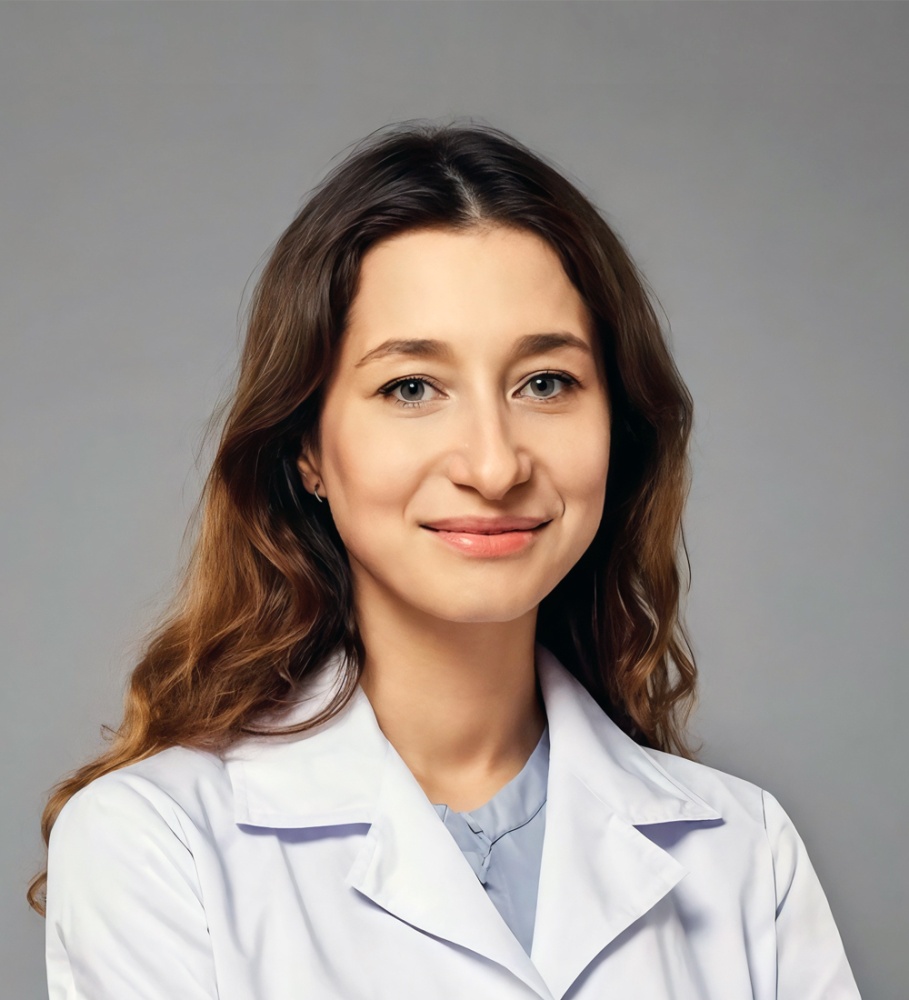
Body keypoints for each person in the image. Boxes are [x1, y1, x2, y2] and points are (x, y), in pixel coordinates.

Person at [29, 120, 860, 1000]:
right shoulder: (157, 843)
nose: (493, 466)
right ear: (306, 448)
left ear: (618, 426)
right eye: (411, 388)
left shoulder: (742, 850)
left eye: (545, 383)